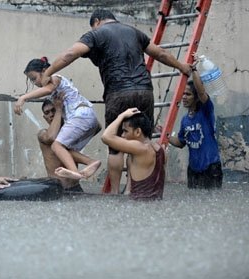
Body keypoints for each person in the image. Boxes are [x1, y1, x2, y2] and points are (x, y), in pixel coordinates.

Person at [40, 9, 191, 194]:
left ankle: (114, 193)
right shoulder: (133, 31)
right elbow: (160, 53)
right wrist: (182, 66)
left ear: (96, 21)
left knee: (116, 146)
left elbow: (70, 54)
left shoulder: (96, 34)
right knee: (142, 141)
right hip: (144, 91)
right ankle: (131, 189)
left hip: (118, 93)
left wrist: (47, 73)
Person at [15, 57, 102, 180]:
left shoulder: (55, 77)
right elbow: (97, 126)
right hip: (88, 117)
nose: (35, 83)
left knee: (56, 146)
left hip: (80, 115)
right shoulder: (57, 91)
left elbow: (48, 89)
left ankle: (76, 172)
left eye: (34, 78)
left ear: (45, 71)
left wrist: (23, 98)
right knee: (65, 149)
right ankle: (90, 162)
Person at [168, 67, 223, 189]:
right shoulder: (185, 120)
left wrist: (194, 70)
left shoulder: (206, 111)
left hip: (211, 168)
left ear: (196, 97)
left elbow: (202, 92)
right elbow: (180, 142)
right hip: (193, 170)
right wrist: (165, 135)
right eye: (182, 94)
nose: (184, 97)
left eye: (188, 94)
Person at [38, 95, 98, 192]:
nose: (51, 114)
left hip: (75, 187)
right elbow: (51, 137)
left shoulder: (72, 132)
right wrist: (58, 110)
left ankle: (90, 162)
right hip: (58, 188)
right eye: (47, 113)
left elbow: (97, 126)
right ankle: (90, 162)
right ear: (45, 117)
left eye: (53, 110)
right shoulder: (43, 134)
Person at [101, 108, 165, 200]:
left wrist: (121, 116)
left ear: (138, 132)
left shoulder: (140, 148)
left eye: (125, 131)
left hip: (138, 206)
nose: (122, 135)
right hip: (155, 205)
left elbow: (106, 137)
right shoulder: (159, 148)